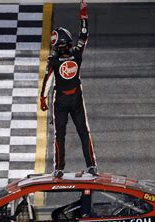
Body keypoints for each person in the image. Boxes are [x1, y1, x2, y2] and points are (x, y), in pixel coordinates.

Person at [39, 0, 97, 179]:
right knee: (83, 131)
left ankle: (59, 169)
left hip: (61, 101)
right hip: (76, 99)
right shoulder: (77, 53)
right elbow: (84, 35)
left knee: (59, 135)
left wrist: (42, 98)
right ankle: (91, 165)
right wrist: (83, 17)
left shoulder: (54, 61)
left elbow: (47, 82)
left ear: (57, 44)